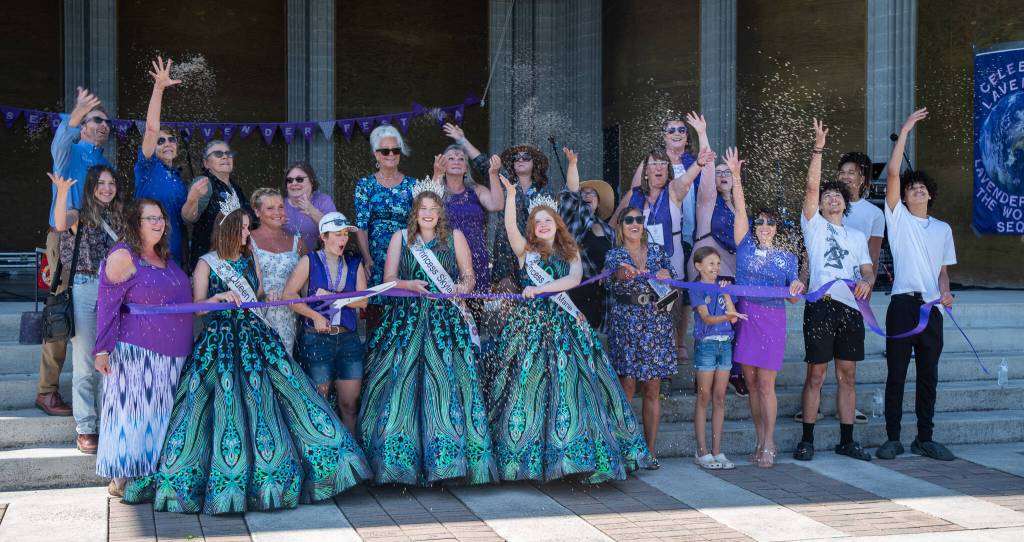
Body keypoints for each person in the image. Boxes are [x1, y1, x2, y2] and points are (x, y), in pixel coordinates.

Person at [123, 208, 370, 514]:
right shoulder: (206, 263)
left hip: (255, 338)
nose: (246, 233)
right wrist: (217, 299)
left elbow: (259, 294)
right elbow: (198, 307)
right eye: (241, 228)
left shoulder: (250, 258)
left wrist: (270, 296)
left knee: (276, 402)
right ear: (226, 229)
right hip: (220, 342)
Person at [488, 175, 651, 483]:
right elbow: (509, 228)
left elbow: (573, 280)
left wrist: (540, 289)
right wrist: (510, 196)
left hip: (565, 326)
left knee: (573, 391)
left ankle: (576, 458)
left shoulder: (570, 251)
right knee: (527, 391)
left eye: (548, 220)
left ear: (557, 224)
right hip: (530, 329)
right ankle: (526, 461)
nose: (543, 225)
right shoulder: (525, 252)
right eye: (538, 222)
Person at [358, 185, 497, 485]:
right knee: (401, 384)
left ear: (441, 212)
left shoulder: (455, 237)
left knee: (446, 385)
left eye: (434, 209)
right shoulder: (400, 238)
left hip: (445, 321)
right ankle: (397, 463)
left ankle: (448, 462)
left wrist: (462, 287)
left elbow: (469, 276)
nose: (428, 214)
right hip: (406, 319)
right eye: (423, 209)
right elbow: (388, 279)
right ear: (415, 213)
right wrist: (408, 285)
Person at [92, 198, 193, 497]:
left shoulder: (165, 257)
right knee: (132, 417)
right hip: (137, 354)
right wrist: (102, 349)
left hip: (172, 355)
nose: (158, 223)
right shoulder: (124, 255)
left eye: (161, 218)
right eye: (151, 218)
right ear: (136, 223)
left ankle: (148, 479)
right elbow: (107, 305)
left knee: (158, 420)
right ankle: (121, 479)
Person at [876, 108, 958, 462]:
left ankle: (924, 438)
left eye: (922, 187)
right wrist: (906, 129)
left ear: (930, 194)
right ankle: (893, 438)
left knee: (928, 376)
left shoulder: (943, 229)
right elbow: (894, 172)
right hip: (903, 306)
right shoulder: (899, 220)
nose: (917, 190)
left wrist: (946, 291)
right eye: (911, 189)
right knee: (896, 374)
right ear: (904, 198)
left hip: (931, 310)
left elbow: (942, 271)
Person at [794, 119, 875, 463]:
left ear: (845, 204)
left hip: (850, 309)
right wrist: (818, 149)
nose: (831, 198)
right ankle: (807, 439)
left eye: (837, 196)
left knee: (848, 375)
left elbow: (867, 268)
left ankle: (847, 440)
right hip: (821, 306)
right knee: (816, 373)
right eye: (826, 196)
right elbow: (812, 186)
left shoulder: (856, 236)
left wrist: (868, 281)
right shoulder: (813, 227)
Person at [725, 148, 803, 468]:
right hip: (746, 317)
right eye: (760, 222)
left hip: (772, 318)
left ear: (777, 228)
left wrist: (796, 287)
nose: (765, 226)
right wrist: (736, 176)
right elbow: (740, 211)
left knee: (767, 385)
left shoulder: (787, 258)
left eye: (770, 223)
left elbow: (794, 296)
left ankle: (770, 441)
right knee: (753, 384)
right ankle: (759, 438)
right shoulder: (745, 246)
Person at [37, 87, 111, 418]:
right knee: (61, 310)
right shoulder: (70, 152)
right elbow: (59, 142)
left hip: (96, 243)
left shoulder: (103, 162)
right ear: (82, 126)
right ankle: (47, 390)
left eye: (107, 122)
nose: (103, 126)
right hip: (65, 235)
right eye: (96, 120)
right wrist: (78, 110)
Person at [49, 167, 124, 454]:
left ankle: (110, 421)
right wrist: (62, 193)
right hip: (85, 287)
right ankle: (86, 427)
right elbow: (59, 223)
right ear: (91, 187)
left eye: (111, 183)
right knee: (84, 362)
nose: (107, 188)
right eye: (101, 183)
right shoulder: (78, 214)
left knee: (111, 361)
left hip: (115, 290)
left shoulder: (120, 217)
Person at [604, 206, 675, 469]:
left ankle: (650, 451)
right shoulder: (615, 254)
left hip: (656, 323)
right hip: (627, 323)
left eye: (638, 219)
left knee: (653, 388)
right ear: (621, 226)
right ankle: (627, 449)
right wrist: (621, 273)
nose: (634, 223)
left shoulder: (657, 251)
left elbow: (672, 280)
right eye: (628, 220)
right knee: (627, 387)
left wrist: (667, 276)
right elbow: (612, 279)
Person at [284, 212, 367, 433]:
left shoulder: (354, 263)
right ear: (323, 236)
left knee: (350, 404)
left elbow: (363, 301)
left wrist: (332, 296)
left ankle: (352, 450)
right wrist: (315, 316)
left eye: (345, 234)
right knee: (320, 403)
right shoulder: (309, 261)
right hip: (316, 339)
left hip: (348, 338)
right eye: (338, 234)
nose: (343, 239)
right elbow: (289, 296)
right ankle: (326, 450)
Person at [630, 115, 703, 361]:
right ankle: (650, 353)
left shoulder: (674, 186)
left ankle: (671, 349)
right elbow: (625, 214)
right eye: (653, 166)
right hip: (643, 256)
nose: (658, 168)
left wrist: (700, 162)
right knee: (648, 308)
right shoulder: (638, 193)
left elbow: (687, 181)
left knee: (672, 304)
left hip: (677, 249)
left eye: (681, 129)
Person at [354, 125, 417, 332]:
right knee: (376, 323)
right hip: (376, 259)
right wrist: (367, 259)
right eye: (385, 151)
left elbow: (419, 223)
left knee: (404, 321)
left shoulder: (413, 185)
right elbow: (361, 226)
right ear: (376, 154)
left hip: (406, 258)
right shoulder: (365, 185)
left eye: (395, 150)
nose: (391, 155)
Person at [691, 246, 745, 470]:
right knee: (704, 397)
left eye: (718, 264)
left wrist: (725, 294)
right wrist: (728, 315)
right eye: (711, 263)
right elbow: (706, 318)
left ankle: (716, 450)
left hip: (725, 345)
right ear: (699, 266)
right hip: (706, 345)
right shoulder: (695, 288)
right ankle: (701, 450)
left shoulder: (724, 288)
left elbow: (733, 319)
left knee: (720, 397)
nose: (716, 268)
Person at [134, 56, 188, 265]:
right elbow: (151, 129)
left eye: (171, 139)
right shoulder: (147, 167)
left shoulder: (179, 180)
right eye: (160, 141)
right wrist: (158, 89)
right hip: (147, 257)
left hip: (175, 259)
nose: (167, 143)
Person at [431, 143, 504, 291]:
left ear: (466, 168)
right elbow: (426, 207)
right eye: (451, 158)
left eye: (461, 159)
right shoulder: (437, 190)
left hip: (476, 255)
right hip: (446, 255)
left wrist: (493, 174)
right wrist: (437, 174)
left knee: (475, 303)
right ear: (443, 165)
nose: (456, 161)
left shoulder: (477, 190)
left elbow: (497, 205)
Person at [557, 147, 616, 328]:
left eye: (592, 193)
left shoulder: (609, 230)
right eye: (584, 193)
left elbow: (615, 257)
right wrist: (572, 165)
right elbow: (571, 194)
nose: (587, 196)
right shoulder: (571, 221)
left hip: (602, 296)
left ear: (598, 201)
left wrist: (610, 267)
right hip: (577, 292)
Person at [182, 140, 252, 272]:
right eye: (218, 154)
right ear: (206, 163)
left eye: (228, 153)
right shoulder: (204, 183)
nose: (225, 156)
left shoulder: (235, 187)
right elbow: (188, 218)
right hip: (210, 263)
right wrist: (192, 200)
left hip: (234, 259)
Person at [250, 188, 306, 353]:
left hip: (288, 316)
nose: (277, 212)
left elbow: (308, 281)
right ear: (257, 212)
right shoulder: (247, 240)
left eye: (280, 207)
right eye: (270, 208)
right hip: (257, 315)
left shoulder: (298, 242)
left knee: (285, 360)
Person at [491, 144, 553, 290]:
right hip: (506, 249)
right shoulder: (504, 185)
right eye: (516, 158)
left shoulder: (544, 189)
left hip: (535, 250)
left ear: (534, 163)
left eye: (526, 157)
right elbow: (482, 165)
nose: (520, 160)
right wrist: (462, 140)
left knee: (534, 294)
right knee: (507, 293)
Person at [838, 151, 885, 273]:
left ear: (862, 179)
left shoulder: (875, 213)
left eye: (851, 173)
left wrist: (868, 282)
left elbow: (873, 256)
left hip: (856, 280)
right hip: (827, 279)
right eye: (842, 172)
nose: (845, 176)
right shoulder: (827, 205)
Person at [282, 161, 338, 250]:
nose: (294, 183)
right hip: (286, 257)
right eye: (289, 180)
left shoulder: (323, 201)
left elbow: (336, 231)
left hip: (317, 257)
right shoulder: (279, 205)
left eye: (299, 179)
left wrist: (312, 210)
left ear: (311, 181)